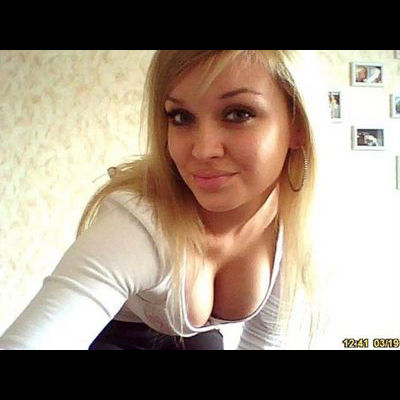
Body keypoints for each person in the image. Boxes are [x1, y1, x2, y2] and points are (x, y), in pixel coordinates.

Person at [0, 50, 321, 350]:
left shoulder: (295, 220)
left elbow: (267, 340)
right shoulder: (138, 222)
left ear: (298, 126)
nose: (203, 150)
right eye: (181, 117)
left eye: (238, 114)